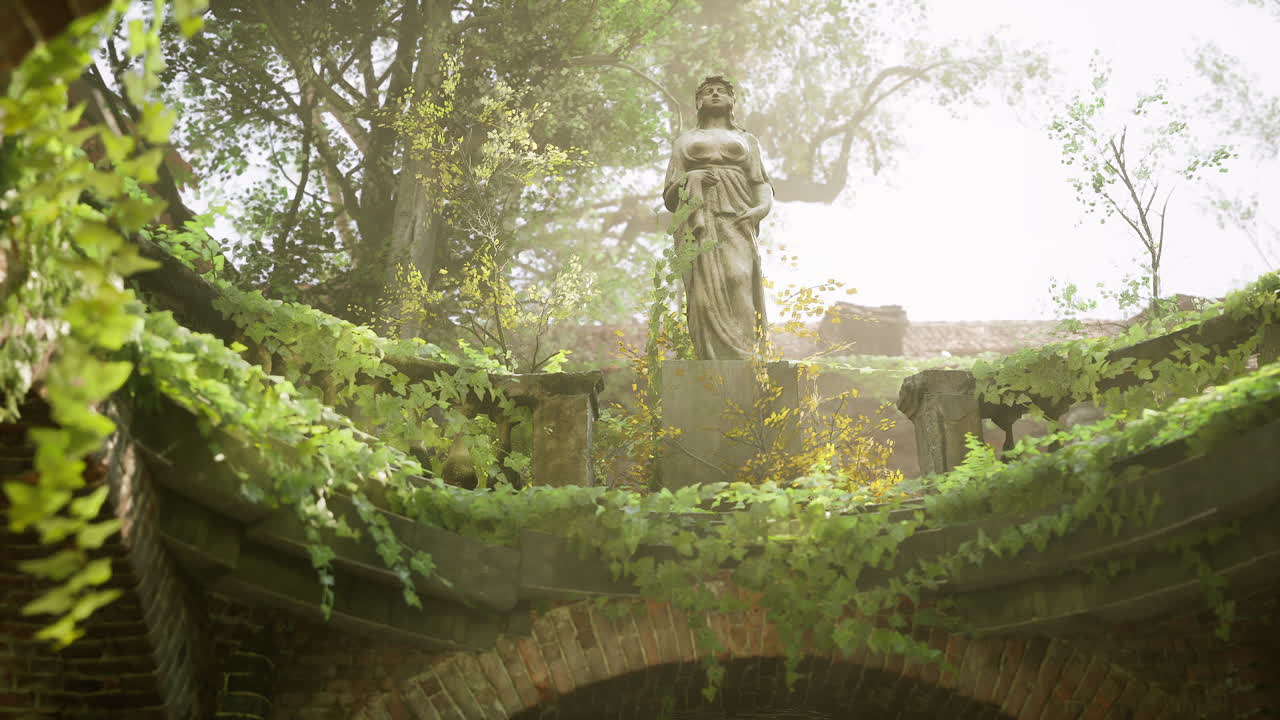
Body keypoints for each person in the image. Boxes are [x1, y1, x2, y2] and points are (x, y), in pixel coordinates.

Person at [663, 76, 773, 360]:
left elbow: (760, 182)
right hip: (698, 216)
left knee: (739, 277)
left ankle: (746, 353)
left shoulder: (746, 140)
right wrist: (692, 177)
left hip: (737, 214)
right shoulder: (685, 141)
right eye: (708, 91)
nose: (714, 94)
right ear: (699, 101)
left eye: (721, 91)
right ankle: (711, 358)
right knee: (702, 293)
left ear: (731, 102)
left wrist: (760, 209)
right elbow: (669, 195)